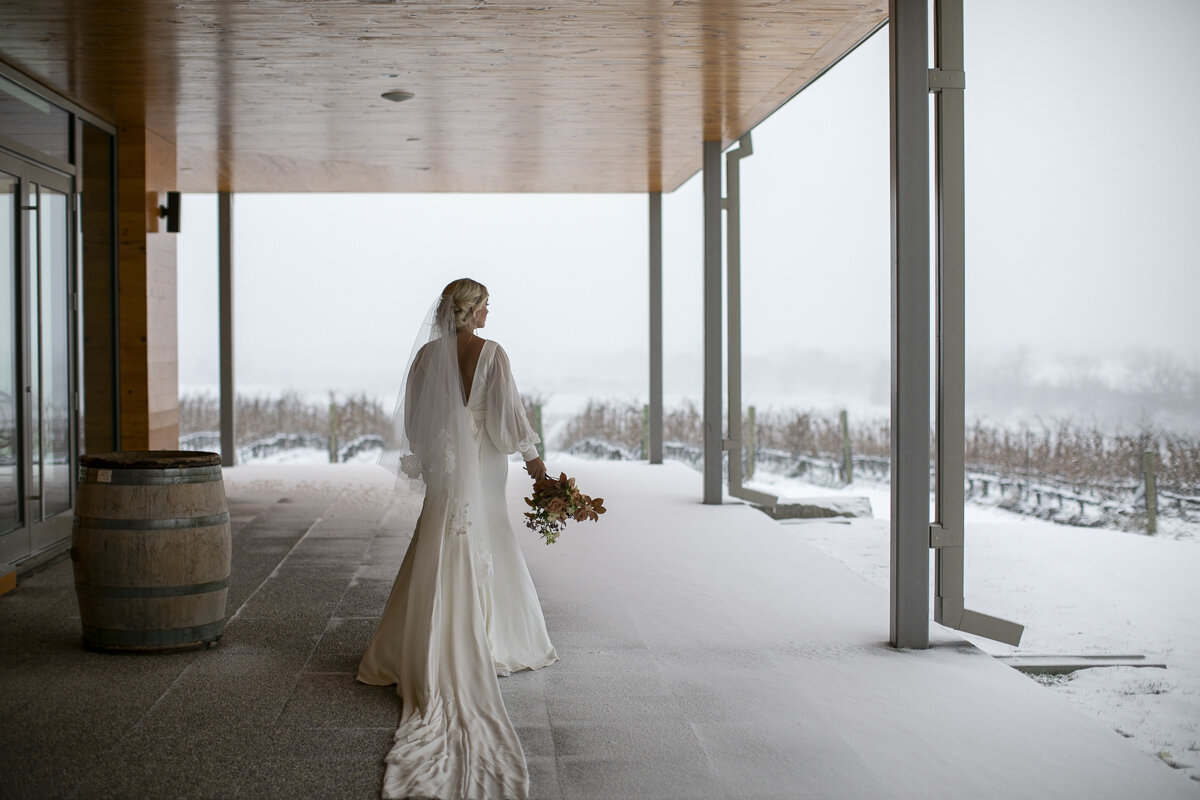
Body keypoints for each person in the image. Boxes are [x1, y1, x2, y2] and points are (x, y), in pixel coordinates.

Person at [357, 278, 557, 800]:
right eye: (486, 303)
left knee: (439, 534)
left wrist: (441, 450)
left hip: (447, 461)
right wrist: (540, 471)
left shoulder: (426, 357)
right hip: (485, 462)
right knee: (489, 533)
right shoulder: (492, 353)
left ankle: (422, 639)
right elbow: (511, 420)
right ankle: (493, 636)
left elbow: (417, 422)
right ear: (471, 310)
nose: (492, 310)